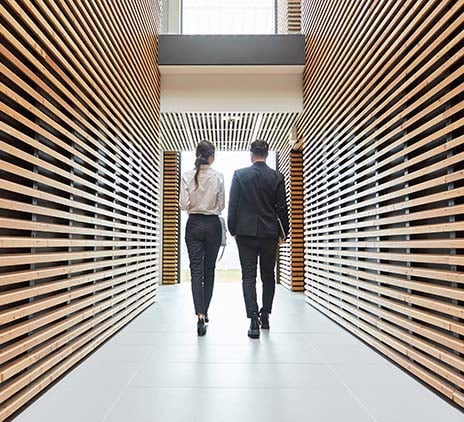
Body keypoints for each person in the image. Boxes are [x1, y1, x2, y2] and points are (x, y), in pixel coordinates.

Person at [228, 140, 289, 339]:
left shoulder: (239, 175)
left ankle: (253, 319)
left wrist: (233, 229)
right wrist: (284, 233)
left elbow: (233, 204)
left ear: (251, 155)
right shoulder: (277, 177)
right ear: (267, 154)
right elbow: (282, 208)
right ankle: (265, 315)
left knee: (248, 276)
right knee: (268, 276)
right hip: (269, 233)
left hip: (245, 233)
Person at [180, 140, 225, 336]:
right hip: (212, 225)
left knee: (196, 271)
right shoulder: (218, 177)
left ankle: (199, 315)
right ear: (212, 157)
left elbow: (183, 204)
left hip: (194, 224)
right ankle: (205, 311)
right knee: (209, 271)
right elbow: (221, 205)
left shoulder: (186, 176)